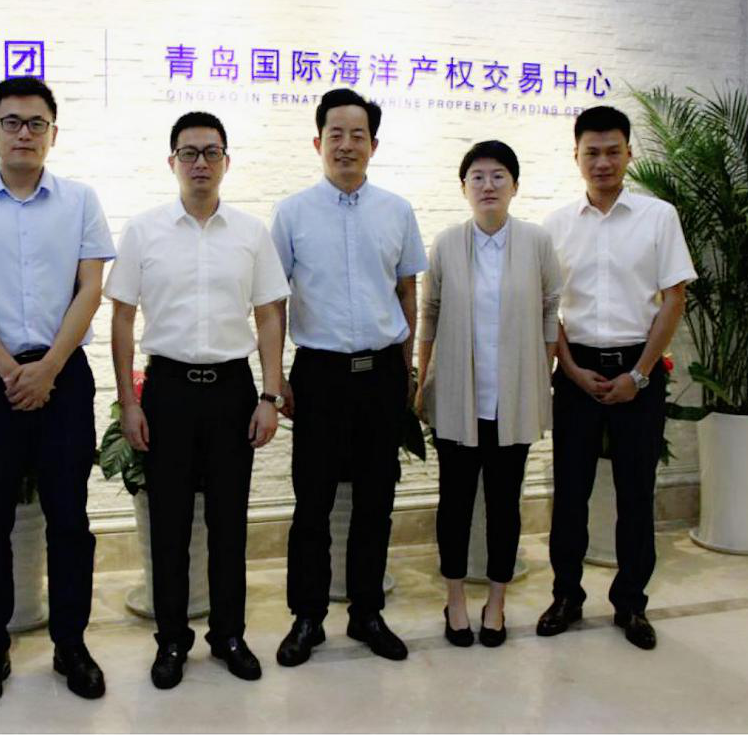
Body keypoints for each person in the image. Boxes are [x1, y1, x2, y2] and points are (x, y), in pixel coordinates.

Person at [0, 77, 115, 707]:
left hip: (63, 378)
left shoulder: (81, 200)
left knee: (70, 519)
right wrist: (12, 370)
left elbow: (90, 290)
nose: (24, 133)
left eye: (37, 123)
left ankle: (71, 643)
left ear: (53, 133)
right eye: (11, 121)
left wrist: (48, 368)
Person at [105, 112, 289, 690]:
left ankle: (229, 635)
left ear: (226, 161)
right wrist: (128, 402)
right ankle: (171, 640)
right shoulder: (144, 232)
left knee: (230, 522)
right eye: (189, 153)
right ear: (172, 162)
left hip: (233, 391)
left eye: (211, 152)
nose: (200, 163)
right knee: (169, 524)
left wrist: (270, 393)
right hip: (168, 392)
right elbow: (122, 318)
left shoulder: (251, 233)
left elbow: (269, 315)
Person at [270, 88, 428, 666]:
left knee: (375, 500)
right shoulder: (291, 213)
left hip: (381, 373)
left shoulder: (397, 211)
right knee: (311, 502)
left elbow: (407, 292)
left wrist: (407, 371)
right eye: (335, 134)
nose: (346, 145)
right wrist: (276, 378)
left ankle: (367, 612)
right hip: (320, 375)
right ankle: (307, 617)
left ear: (373, 145)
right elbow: (273, 302)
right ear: (318, 142)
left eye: (357, 135)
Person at [537, 106, 695, 650]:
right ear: (576, 156)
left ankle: (631, 603)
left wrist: (640, 374)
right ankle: (566, 596)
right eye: (591, 152)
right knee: (570, 493)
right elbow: (549, 307)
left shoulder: (658, 217)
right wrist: (571, 369)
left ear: (629, 153)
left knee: (636, 494)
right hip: (576, 370)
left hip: (638, 371)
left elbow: (674, 298)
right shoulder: (557, 225)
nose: (602, 162)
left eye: (612, 151)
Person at [416, 140, 561, 648]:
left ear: (515, 185)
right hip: (457, 399)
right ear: (464, 188)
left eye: (499, 175)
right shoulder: (447, 244)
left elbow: (550, 308)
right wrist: (423, 377)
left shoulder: (536, 242)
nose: (488, 185)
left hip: (512, 400)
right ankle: (455, 599)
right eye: (477, 177)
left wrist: (542, 372)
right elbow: (430, 313)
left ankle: (496, 602)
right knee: (454, 504)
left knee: (504, 505)